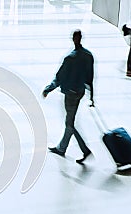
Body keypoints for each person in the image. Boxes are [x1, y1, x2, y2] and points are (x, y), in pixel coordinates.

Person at [42, 30, 94, 164]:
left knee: (69, 123)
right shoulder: (88, 55)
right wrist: (92, 96)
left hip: (70, 94)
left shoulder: (70, 58)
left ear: (73, 39)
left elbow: (59, 77)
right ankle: (62, 148)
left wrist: (48, 89)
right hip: (80, 92)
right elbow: (90, 77)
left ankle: (85, 150)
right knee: (70, 121)